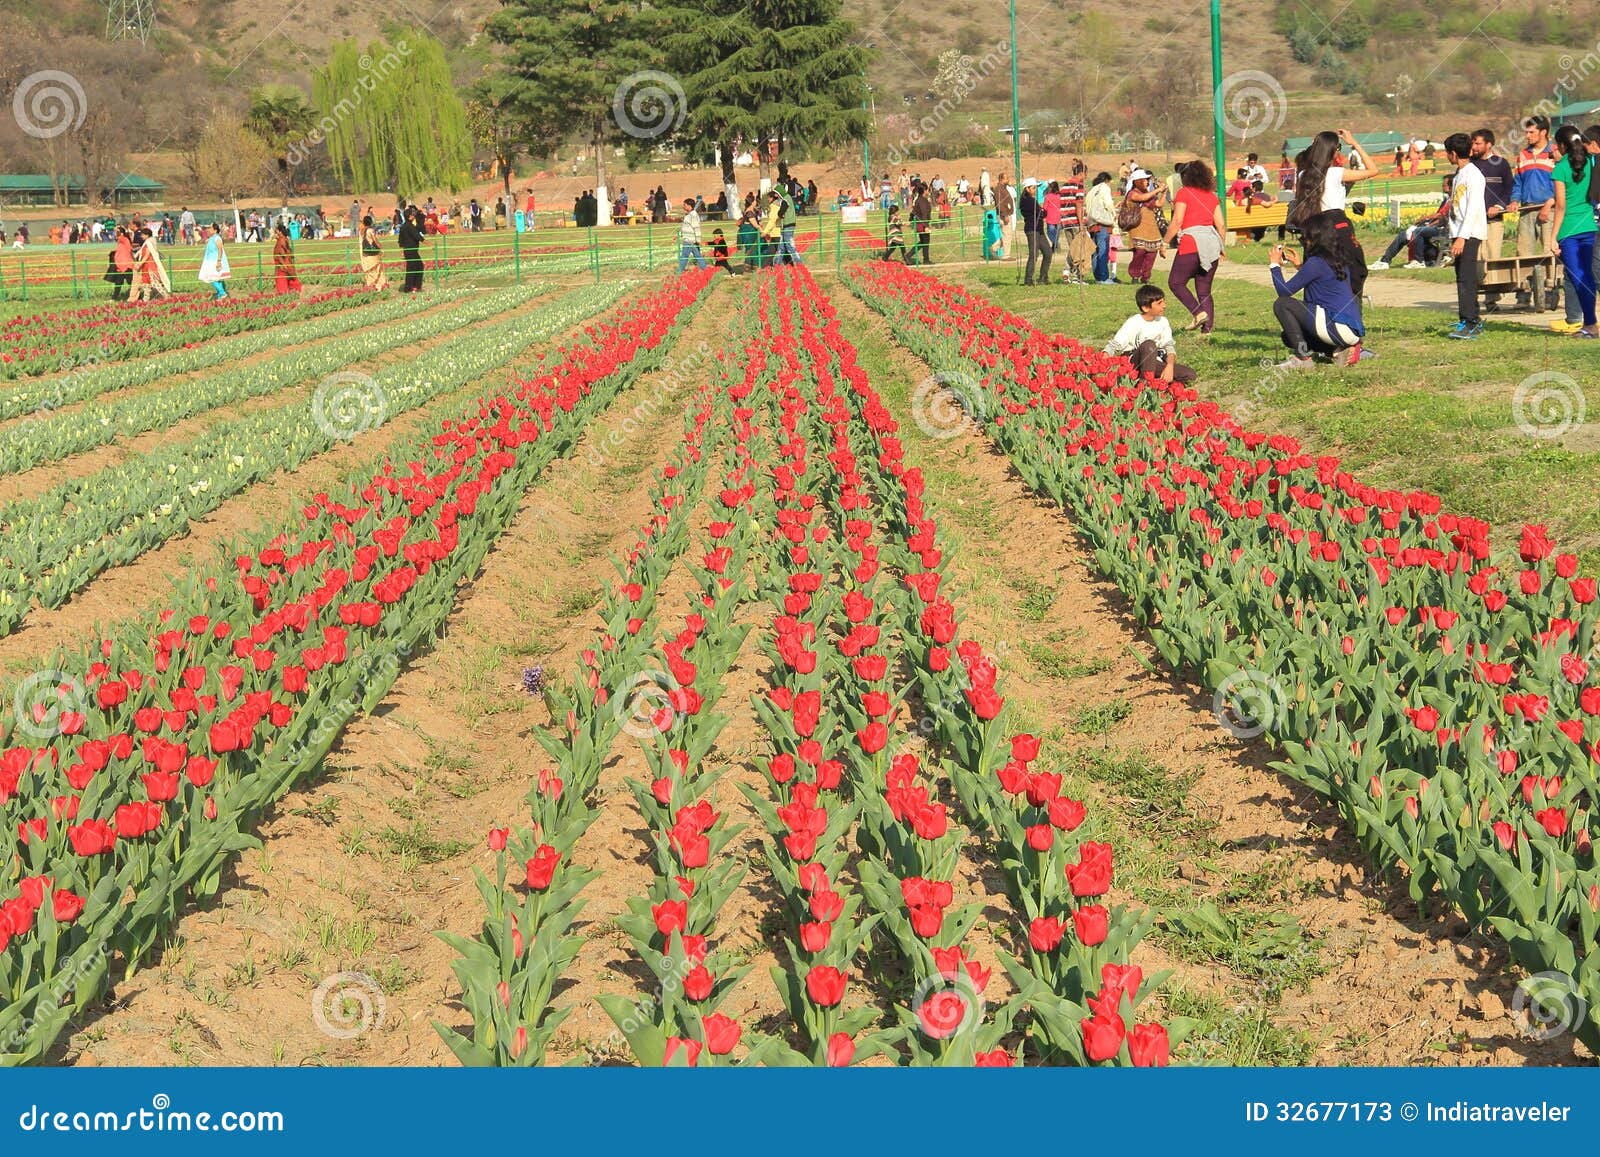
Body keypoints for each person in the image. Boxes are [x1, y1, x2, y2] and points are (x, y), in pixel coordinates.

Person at [1267, 216, 1365, 368]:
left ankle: (1303, 359)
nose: (1302, 240)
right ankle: (1338, 351)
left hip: (1337, 326)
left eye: (1304, 237)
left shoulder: (1316, 263)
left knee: (1282, 305)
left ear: (1314, 239)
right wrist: (1300, 266)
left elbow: (1284, 292)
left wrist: (1274, 264)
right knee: (1288, 336)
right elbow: (1324, 281)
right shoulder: (1337, 257)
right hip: (1349, 329)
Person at [1289, 129, 1375, 300]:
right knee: (1355, 271)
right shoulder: (1336, 173)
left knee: (1318, 275)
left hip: (1314, 229)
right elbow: (1373, 170)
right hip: (1337, 227)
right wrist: (1354, 143)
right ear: (1333, 150)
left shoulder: (1302, 175)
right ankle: (1351, 313)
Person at [1547, 124, 1598, 338]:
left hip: (1569, 230)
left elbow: (1560, 205)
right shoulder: (1590, 162)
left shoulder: (1560, 168)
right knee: (1588, 275)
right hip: (1590, 226)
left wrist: (1553, 237)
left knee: (1579, 277)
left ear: (1561, 145)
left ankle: (1590, 324)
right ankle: (1590, 324)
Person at [1163, 161, 1224, 334]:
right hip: (1212, 243)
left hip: (1192, 243)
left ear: (1186, 177)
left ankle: (1198, 314)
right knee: (1204, 290)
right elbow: (1221, 225)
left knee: (1176, 282)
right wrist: (1221, 247)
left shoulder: (1184, 193)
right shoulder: (1212, 196)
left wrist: (1165, 242)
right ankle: (1207, 330)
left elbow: (1177, 221)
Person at [1508, 115, 1557, 313]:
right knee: (1523, 251)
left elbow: (1560, 185)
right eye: (1526, 132)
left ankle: (1550, 291)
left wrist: (1549, 204)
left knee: (1549, 251)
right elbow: (1518, 183)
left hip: (1549, 209)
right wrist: (1513, 200)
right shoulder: (1523, 155)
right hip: (1526, 210)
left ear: (1543, 132)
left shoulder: (1554, 154)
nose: (1527, 136)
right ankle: (1524, 292)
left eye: (1531, 132)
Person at [1443, 132, 1488, 340]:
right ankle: (1469, 318)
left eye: (1447, 152)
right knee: (1461, 276)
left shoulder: (1473, 175)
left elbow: (1473, 209)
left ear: (1453, 153)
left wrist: (1462, 237)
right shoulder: (1460, 173)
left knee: (1466, 279)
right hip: (1460, 233)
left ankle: (1470, 322)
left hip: (1468, 234)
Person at [1104, 284, 1195, 384]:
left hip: (1156, 362)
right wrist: (1102, 361)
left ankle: (1155, 384)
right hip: (1135, 363)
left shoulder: (1163, 321)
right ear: (1146, 308)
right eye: (1159, 303)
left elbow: (1169, 346)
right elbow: (1114, 345)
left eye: (1164, 301)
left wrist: (1170, 366)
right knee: (1149, 345)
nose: (1164, 305)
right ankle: (1144, 385)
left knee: (1189, 374)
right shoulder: (1134, 322)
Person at [1371, 176, 1452, 269]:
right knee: (1406, 235)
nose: (1442, 187)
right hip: (1438, 228)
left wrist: (1424, 219)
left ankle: (1418, 261)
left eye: (1444, 185)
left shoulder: (1453, 199)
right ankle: (1385, 261)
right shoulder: (1446, 199)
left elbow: (1440, 215)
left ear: (1450, 186)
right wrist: (1428, 225)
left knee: (1417, 232)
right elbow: (1440, 218)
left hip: (1445, 230)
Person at [1123, 168, 1165, 285]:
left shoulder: (1148, 194)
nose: (1147, 182)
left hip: (1151, 228)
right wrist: (1157, 190)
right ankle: (1135, 275)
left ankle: (1146, 277)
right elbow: (1142, 198)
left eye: (1147, 180)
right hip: (1137, 228)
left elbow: (1158, 204)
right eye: (1145, 180)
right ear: (1138, 181)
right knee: (1140, 252)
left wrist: (1163, 192)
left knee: (1151, 253)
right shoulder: (1132, 194)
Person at [1085, 171, 1117, 284]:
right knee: (1103, 251)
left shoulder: (1091, 191)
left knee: (1095, 252)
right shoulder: (1104, 187)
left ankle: (1098, 277)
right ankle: (1104, 277)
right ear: (1106, 181)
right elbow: (1108, 204)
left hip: (1091, 224)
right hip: (1102, 223)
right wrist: (1113, 215)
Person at [1020, 177, 1050, 286]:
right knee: (1034, 254)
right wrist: (1042, 211)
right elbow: (1041, 213)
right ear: (1027, 189)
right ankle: (1028, 279)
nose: (1035, 190)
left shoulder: (1033, 200)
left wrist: (1042, 211)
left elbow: (1042, 213)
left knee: (1047, 252)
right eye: (1033, 188)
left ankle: (1043, 277)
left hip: (1039, 230)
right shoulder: (1027, 201)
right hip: (1032, 230)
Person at [131, 227, 170, 301]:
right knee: (146, 282)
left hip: (149, 265)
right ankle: (146, 298)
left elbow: (147, 255)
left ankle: (166, 296)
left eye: (142, 235)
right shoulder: (148, 242)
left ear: (147, 235)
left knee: (155, 283)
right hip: (146, 265)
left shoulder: (149, 242)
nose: (141, 236)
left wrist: (140, 263)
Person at [197, 223, 231, 300]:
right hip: (209, 261)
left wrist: (219, 261)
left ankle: (222, 292)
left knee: (211, 278)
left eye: (211, 228)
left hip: (215, 261)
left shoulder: (217, 238)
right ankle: (220, 296)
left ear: (215, 230)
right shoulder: (212, 238)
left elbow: (220, 249)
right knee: (216, 278)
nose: (209, 230)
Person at [397, 207, 425, 292]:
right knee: (418, 267)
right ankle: (413, 287)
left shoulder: (403, 227)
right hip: (412, 251)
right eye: (412, 215)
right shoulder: (410, 227)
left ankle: (410, 287)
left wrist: (402, 252)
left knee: (412, 268)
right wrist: (431, 245)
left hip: (407, 251)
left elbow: (400, 241)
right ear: (409, 217)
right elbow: (419, 237)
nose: (414, 216)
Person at [360, 215, 389, 291]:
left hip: (365, 254)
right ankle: (378, 285)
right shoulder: (370, 230)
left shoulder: (361, 231)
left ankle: (369, 285)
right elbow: (375, 240)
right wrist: (381, 248)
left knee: (369, 270)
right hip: (372, 254)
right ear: (371, 222)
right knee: (377, 268)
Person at [678, 197, 708, 273]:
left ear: (689, 205)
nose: (683, 206)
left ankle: (680, 271)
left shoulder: (693, 215)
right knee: (698, 256)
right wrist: (679, 234)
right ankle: (705, 269)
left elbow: (696, 228)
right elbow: (685, 227)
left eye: (684, 205)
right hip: (690, 240)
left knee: (684, 256)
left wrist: (698, 240)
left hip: (690, 240)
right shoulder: (688, 215)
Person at [272, 223, 302, 294]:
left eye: (276, 231)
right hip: (283, 262)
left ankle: (283, 292)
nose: (276, 232)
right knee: (289, 276)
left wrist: (282, 262)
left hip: (283, 263)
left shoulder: (282, 240)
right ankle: (293, 290)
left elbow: (282, 253)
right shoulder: (283, 239)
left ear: (280, 232)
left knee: (283, 277)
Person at [107, 226, 134, 301]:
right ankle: (114, 298)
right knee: (118, 283)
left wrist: (117, 229)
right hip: (120, 267)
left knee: (130, 283)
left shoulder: (125, 240)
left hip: (126, 266)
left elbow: (119, 235)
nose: (116, 234)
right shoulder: (121, 242)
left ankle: (136, 297)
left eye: (117, 232)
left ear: (121, 234)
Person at [909, 181, 932, 266]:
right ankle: (926, 259)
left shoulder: (919, 199)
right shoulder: (922, 201)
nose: (928, 192)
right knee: (925, 241)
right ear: (924, 190)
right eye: (927, 190)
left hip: (921, 223)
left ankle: (908, 255)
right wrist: (926, 226)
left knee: (923, 241)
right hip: (922, 224)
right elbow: (924, 214)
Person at [996, 172, 1015, 259]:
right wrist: (1005, 215)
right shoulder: (999, 189)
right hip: (1004, 215)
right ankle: (1006, 255)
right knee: (1007, 235)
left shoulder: (1004, 188)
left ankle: (993, 248)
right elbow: (999, 203)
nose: (1008, 180)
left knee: (1007, 234)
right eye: (1006, 178)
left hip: (1006, 214)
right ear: (1001, 179)